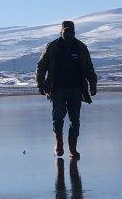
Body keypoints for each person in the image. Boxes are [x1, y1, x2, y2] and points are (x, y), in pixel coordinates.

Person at [36, 20, 98, 160]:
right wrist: (40, 84)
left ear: (74, 33)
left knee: (74, 121)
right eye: (66, 32)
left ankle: (73, 150)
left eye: (71, 32)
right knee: (58, 118)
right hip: (57, 90)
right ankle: (59, 143)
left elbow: (88, 67)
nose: (68, 34)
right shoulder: (52, 47)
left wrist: (93, 84)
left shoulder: (81, 47)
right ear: (61, 32)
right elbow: (41, 66)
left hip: (76, 90)